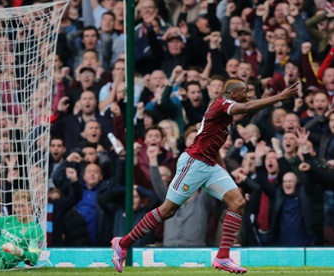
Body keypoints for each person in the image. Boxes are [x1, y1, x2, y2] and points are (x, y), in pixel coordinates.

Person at [111, 77, 299, 274]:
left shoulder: (224, 114)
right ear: (234, 94)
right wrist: (280, 96)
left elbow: (212, 142)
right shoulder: (222, 104)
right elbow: (247, 108)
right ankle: (123, 243)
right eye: (245, 91)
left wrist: (222, 167)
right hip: (194, 163)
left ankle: (223, 257)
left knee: (237, 202)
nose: (248, 95)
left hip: (210, 164)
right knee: (168, 210)